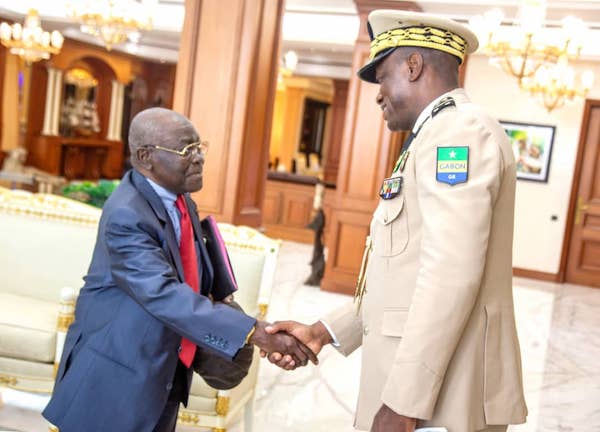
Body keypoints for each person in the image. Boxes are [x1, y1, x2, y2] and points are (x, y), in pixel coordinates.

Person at [263, 10, 528, 432]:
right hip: (430, 390)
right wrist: (322, 332)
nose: (379, 94)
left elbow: (450, 274)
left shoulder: (457, 132)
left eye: (383, 77)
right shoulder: (433, 134)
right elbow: (400, 280)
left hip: (443, 399)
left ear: (414, 65)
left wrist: (404, 402)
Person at [43, 108, 316, 432]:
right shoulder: (126, 215)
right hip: (116, 378)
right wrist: (254, 332)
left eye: (200, 147)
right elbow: (164, 294)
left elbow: (191, 271)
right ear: (145, 157)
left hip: (165, 370)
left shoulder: (179, 198)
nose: (199, 158)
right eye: (186, 150)